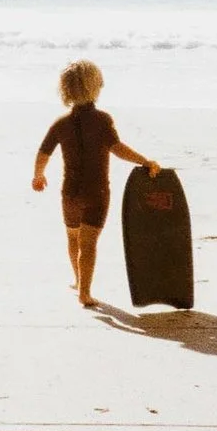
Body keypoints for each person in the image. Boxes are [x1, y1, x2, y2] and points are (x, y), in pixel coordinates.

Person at [31, 59, 159, 307]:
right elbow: (118, 148)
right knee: (88, 244)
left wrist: (39, 174)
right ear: (96, 86)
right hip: (96, 193)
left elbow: (43, 152)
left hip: (69, 193)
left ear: (65, 90)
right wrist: (144, 161)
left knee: (72, 238)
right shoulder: (102, 120)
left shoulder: (61, 124)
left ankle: (78, 281)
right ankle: (85, 293)